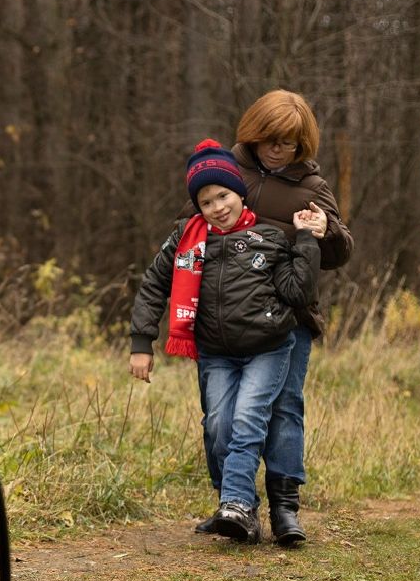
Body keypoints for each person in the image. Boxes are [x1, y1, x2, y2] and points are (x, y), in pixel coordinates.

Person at [128, 143, 326, 544]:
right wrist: (141, 341)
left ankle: (235, 503)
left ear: (239, 193)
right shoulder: (187, 241)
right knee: (218, 426)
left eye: (223, 195)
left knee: (248, 418)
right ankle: (240, 508)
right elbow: (153, 285)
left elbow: (297, 291)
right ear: (196, 206)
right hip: (216, 352)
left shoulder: (269, 238)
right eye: (206, 200)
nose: (217, 206)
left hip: (267, 347)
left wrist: (306, 241)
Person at [227, 90, 354, 546]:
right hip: (232, 315)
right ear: (254, 134)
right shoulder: (228, 171)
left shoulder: (313, 187)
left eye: (290, 143)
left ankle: (285, 508)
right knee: (227, 413)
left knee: (285, 405)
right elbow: (188, 228)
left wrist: (326, 232)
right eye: (270, 139)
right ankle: (237, 504)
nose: (278, 149)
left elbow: (339, 253)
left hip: (291, 316)